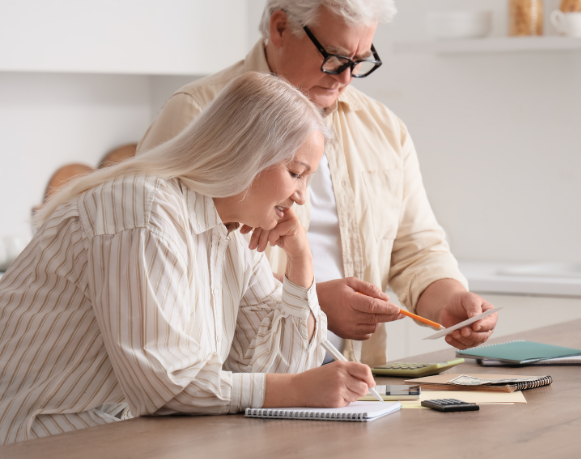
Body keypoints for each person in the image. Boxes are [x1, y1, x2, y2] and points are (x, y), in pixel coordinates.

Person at [0, 72, 377, 445]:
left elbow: (279, 369)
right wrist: (294, 390)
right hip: (40, 435)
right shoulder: (143, 211)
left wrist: (301, 262)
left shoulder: (233, 232)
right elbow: (166, 386)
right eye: (296, 173)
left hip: (129, 432)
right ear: (247, 153)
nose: (300, 197)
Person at [138, 0, 498, 365]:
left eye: (360, 62)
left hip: (354, 377)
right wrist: (312, 299)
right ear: (280, 28)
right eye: (335, 57)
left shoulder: (385, 130)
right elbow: (162, 259)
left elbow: (416, 248)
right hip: (236, 380)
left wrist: (449, 300)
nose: (345, 78)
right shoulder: (197, 112)